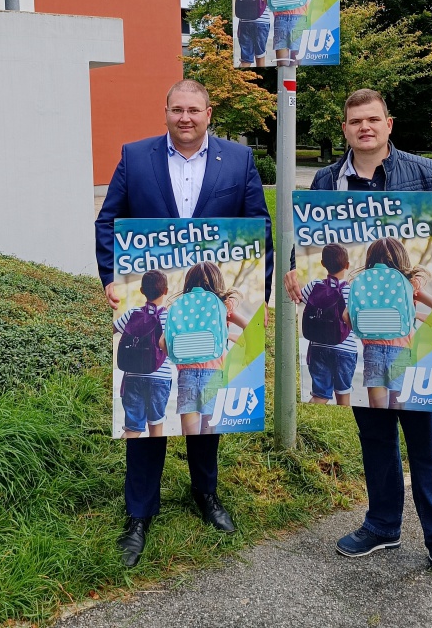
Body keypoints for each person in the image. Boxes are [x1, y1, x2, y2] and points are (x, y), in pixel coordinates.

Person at [283, 88, 432, 595]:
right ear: (344, 129)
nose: (364, 128)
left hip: (411, 342)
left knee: (426, 442)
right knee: (374, 436)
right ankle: (383, 526)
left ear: (388, 124)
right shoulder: (327, 180)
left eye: (372, 120)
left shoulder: (423, 172)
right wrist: (293, 271)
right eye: (354, 122)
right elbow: (307, 242)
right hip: (362, 342)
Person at [96, 78, 274, 568]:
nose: (185, 118)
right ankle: (139, 514)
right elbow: (109, 221)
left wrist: (258, 287)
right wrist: (112, 278)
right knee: (146, 418)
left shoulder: (238, 161)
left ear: (209, 113)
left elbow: (258, 228)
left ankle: (206, 495)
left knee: (204, 411)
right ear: (166, 111)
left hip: (204, 322)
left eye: (194, 110)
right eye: (177, 110)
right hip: (156, 319)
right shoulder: (136, 157)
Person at [351, 238, 432, 410]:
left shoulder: (364, 283)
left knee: (377, 407)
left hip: (372, 350)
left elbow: (348, 316)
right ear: (401, 258)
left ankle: (383, 435)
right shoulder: (411, 283)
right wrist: (417, 315)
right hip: (403, 351)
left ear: (370, 259)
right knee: (398, 404)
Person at [164, 262, 248, 435]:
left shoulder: (180, 308)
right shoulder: (223, 306)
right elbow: (251, 328)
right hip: (214, 375)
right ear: (218, 282)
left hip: (186, 375)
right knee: (208, 433)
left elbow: (162, 344)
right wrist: (228, 337)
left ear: (188, 283)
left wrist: (181, 356)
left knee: (190, 434)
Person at [113, 269, 172, 439]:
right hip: (160, 378)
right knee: (156, 428)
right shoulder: (169, 317)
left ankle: (118, 459)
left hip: (133, 377)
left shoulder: (132, 314)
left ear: (142, 291)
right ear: (165, 291)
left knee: (133, 428)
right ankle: (153, 463)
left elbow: (112, 330)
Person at [299, 243, 356, 406]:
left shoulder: (313, 285)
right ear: (347, 265)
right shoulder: (351, 291)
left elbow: (298, 299)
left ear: (323, 264)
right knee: (343, 395)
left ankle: (306, 422)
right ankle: (343, 427)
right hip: (345, 349)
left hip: (318, 348)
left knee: (320, 395)